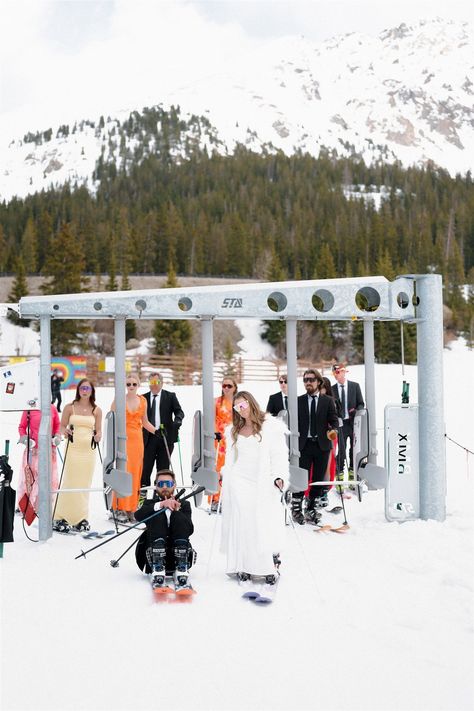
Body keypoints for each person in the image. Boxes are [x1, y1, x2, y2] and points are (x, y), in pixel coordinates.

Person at [220, 390, 288, 583]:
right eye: (236, 407)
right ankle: (243, 565)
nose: (240, 410)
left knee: (261, 521)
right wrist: (225, 473)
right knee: (244, 520)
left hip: (262, 480)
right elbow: (230, 459)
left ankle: (267, 566)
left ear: (251, 403)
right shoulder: (234, 429)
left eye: (243, 405)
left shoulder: (270, 427)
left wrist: (279, 476)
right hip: (239, 479)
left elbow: (279, 455)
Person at [53, 379, 102, 533]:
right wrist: (64, 431)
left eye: (87, 388)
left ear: (92, 390)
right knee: (70, 481)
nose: (84, 390)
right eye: (82, 387)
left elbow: (99, 429)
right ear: (78, 390)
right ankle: (60, 516)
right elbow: (61, 426)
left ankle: (81, 517)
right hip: (73, 449)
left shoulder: (96, 410)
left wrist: (98, 435)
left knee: (84, 483)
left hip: (88, 451)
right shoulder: (70, 407)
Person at [290, 369, 339, 525]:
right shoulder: (298, 401)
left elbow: (334, 420)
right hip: (303, 445)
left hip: (321, 445)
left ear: (318, 382)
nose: (308, 382)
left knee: (318, 479)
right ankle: (296, 509)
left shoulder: (328, 401)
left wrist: (333, 429)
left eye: (311, 379)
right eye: (305, 380)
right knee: (300, 478)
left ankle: (311, 508)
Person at [111, 374, 161, 523]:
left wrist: (157, 431)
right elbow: (111, 418)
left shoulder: (143, 400)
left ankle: (131, 508)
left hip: (137, 440)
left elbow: (145, 422)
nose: (131, 387)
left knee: (135, 473)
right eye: (128, 384)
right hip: (122, 439)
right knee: (122, 471)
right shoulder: (119, 399)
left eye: (134, 384)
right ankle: (118, 507)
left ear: (138, 385)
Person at [134, 469, 194, 591]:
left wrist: (177, 512)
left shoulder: (184, 504)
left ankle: (181, 568)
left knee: (177, 516)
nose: (165, 487)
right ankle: (158, 567)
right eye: (161, 484)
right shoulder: (150, 503)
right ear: (156, 486)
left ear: (174, 485)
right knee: (158, 514)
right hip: (152, 557)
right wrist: (161, 505)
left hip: (176, 556)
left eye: (168, 484)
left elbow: (190, 529)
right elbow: (138, 516)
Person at [141, 372, 184, 488]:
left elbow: (179, 411)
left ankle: (159, 495)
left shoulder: (170, 396)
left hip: (165, 437)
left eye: (157, 382)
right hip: (147, 439)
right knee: (145, 468)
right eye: (151, 382)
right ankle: (143, 495)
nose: (154, 385)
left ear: (162, 383)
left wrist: (178, 420)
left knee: (163, 469)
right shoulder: (143, 398)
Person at [17, 405, 61, 518]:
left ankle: (43, 506)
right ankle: (28, 506)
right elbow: (21, 427)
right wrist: (25, 438)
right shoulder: (29, 408)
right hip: (33, 450)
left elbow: (57, 425)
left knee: (46, 478)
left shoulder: (52, 408)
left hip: (49, 450)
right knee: (30, 478)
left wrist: (57, 436)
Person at [210, 375, 238, 511]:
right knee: (219, 469)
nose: (226, 388)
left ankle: (232, 498)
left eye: (229, 386)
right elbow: (211, 419)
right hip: (220, 439)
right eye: (224, 386)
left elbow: (246, 417)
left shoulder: (239, 402)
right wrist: (215, 432)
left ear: (235, 388)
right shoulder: (216, 402)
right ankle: (216, 499)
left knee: (234, 468)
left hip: (234, 438)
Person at [331, 363, 364, 476]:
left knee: (353, 450)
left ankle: (352, 472)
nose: (337, 374)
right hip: (341, 424)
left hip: (354, 423)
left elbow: (361, 403)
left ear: (345, 372)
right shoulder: (332, 389)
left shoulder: (355, 386)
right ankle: (339, 472)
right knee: (341, 450)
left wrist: (355, 411)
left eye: (339, 371)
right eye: (335, 372)